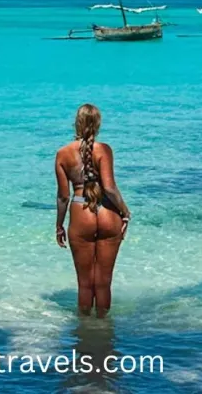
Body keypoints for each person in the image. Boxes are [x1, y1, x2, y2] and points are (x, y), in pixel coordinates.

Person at [54, 103, 131, 317]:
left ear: (77, 123)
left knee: (85, 284)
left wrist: (59, 225)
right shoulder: (104, 149)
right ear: (98, 124)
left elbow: (63, 196)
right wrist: (125, 212)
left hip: (81, 213)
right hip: (107, 212)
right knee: (104, 283)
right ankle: (104, 332)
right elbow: (109, 188)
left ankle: (86, 334)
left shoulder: (62, 154)